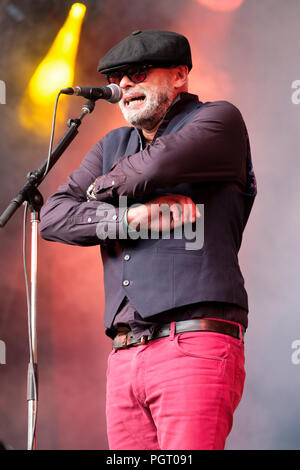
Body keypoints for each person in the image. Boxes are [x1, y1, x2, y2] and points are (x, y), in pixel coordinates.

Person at [39, 29, 257, 450]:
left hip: (193, 342)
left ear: (179, 76)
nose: (124, 85)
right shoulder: (111, 144)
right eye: (118, 76)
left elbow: (149, 170)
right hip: (123, 356)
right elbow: (52, 217)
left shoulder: (217, 121)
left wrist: (97, 190)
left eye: (137, 72)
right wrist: (131, 219)